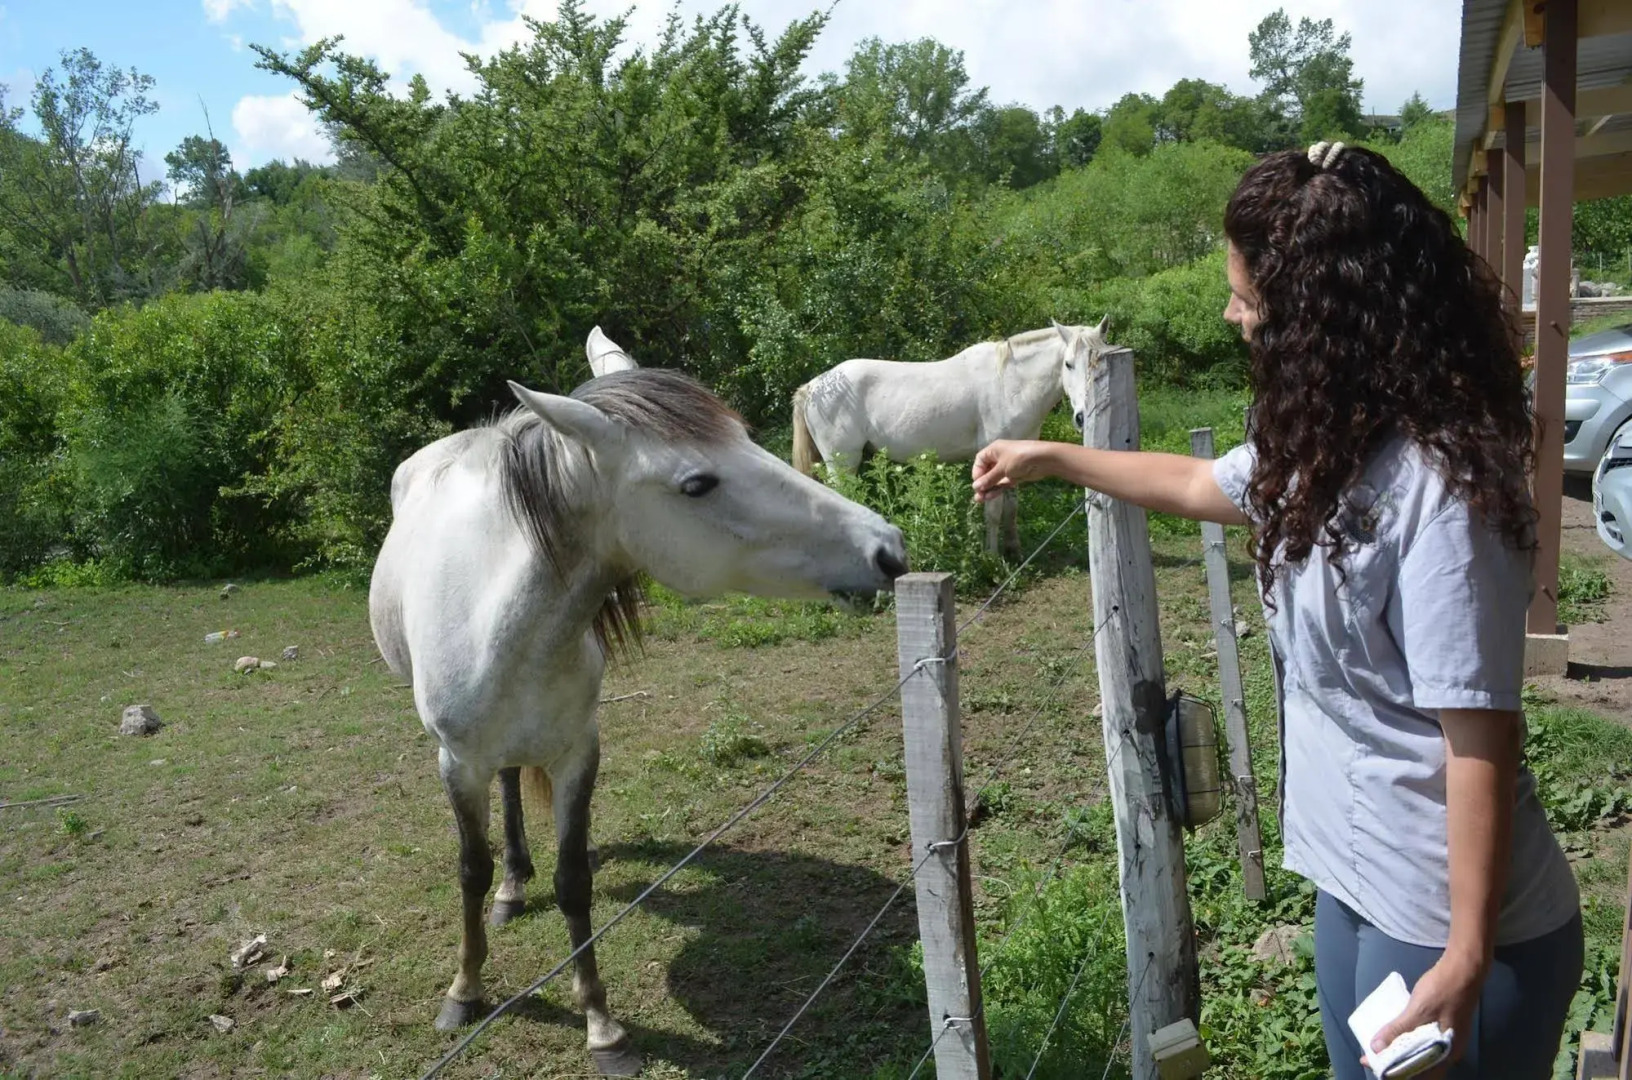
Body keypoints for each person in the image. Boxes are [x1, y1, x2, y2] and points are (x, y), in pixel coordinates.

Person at [970, 142, 1583, 1079]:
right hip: (1352, 874)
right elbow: (1191, 480)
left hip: (1447, 919)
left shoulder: (1440, 488)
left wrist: (1466, 954)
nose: (1229, 316)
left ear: (1322, 320)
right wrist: (1050, 456)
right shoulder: (1325, 446)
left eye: (1248, 300)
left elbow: (1479, 740)